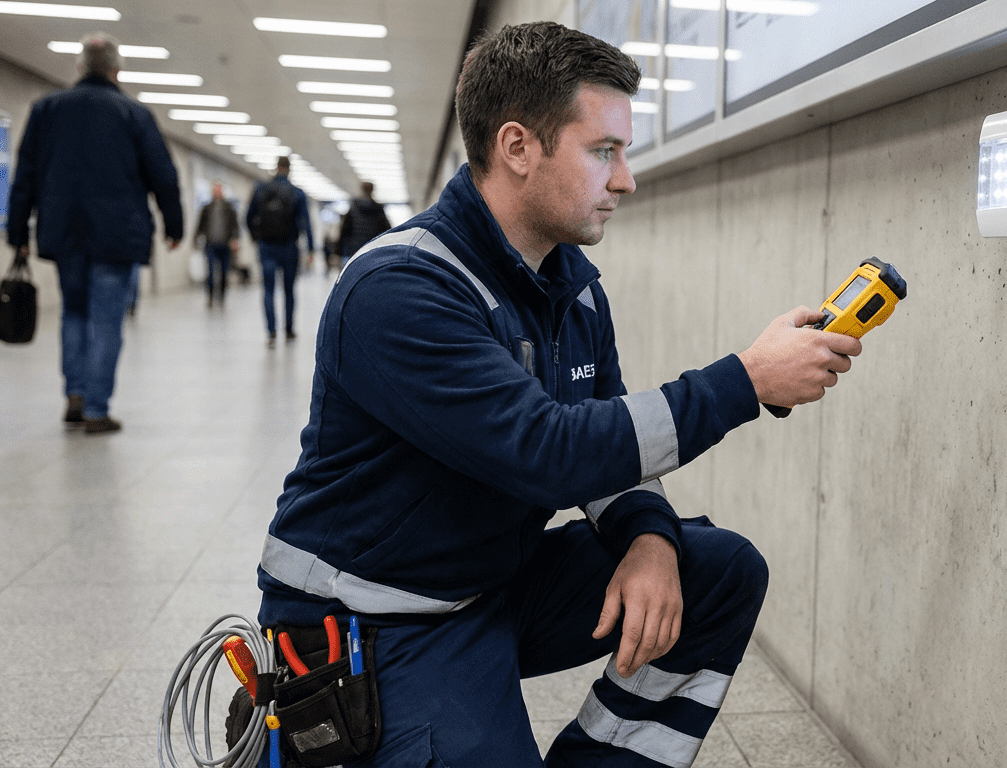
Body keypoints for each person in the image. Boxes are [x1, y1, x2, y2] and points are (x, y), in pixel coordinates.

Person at [255, 21, 861, 767]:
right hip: (370, 622)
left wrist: (648, 539)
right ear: (518, 147)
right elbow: (548, 452)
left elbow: (610, 442)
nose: (625, 179)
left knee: (718, 571)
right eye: (604, 151)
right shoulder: (398, 289)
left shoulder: (571, 288)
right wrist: (747, 380)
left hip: (488, 584)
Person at [6, 32, 182, 434]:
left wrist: (17, 231)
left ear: (80, 66)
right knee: (106, 319)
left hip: (63, 231)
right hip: (117, 235)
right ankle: (97, 408)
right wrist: (174, 225)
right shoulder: (134, 114)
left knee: (74, 311)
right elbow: (163, 175)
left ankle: (75, 393)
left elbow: (25, 174)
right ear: (117, 70)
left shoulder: (47, 109)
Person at [246, 156, 312, 346]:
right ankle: (289, 330)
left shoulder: (261, 188)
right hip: (289, 246)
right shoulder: (297, 193)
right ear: (289, 169)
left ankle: (271, 332)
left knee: (268, 290)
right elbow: (305, 222)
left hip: (266, 246)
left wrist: (256, 238)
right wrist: (311, 248)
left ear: (276, 167)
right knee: (289, 290)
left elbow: (248, 217)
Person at [193, 182, 240, 307]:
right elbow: (200, 225)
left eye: (219, 190)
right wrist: (195, 239)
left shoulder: (229, 208)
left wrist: (235, 240)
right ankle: (210, 297)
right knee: (210, 273)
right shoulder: (207, 208)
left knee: (224, 273)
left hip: (225, 245)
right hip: (211, 245)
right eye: (215, 190)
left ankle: (222, 296)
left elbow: (235, 226)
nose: (217, 192)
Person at [336, 181, 392, 270]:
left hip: (355, 250)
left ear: (362, 189)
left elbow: (345, 231)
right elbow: (386, 231)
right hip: (373, 250)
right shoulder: (378, 210)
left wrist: (338, 251)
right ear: (372, 190)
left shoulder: (354, 208)